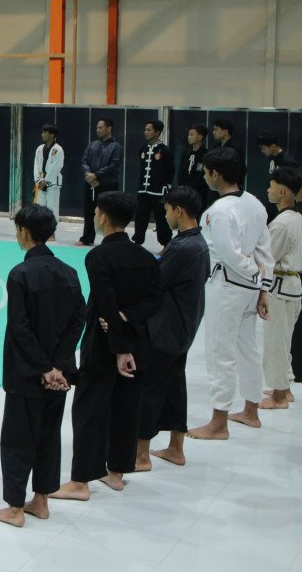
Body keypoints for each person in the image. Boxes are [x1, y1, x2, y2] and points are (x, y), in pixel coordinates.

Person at [52, 191, 161, 501]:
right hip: (138, 342)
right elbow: (156, 300)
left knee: (89, 409)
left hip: (105, 344)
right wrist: (130, 318)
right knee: (127, 408)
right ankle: (116, 473)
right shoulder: (145, 256)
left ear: (101, 216)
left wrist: (119, 342)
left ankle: (81, 481)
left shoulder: (97, 257)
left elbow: (106, 303)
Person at [0, 204, 85, 528]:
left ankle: (15, 507)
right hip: (58, 375)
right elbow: (76, 322)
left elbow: (20, 327)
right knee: (48, 435)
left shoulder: (20, 275)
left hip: (27, 373)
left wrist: (43, 367)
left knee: (17, 437)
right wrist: (58, 365)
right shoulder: (69, 274)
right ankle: (41, 501)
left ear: (24, 233)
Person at [188, 147, 272, 439]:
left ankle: (218, 421)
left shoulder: (219, 212)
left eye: (206, 171)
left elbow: (231, 255)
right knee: (248, 348)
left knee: (220, 350)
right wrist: (263, 285)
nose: (204, 175)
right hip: (249, 287)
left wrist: (254, 276)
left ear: (216, 174)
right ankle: (251, 410)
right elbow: (265, 250)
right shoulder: (255, 203)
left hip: (227, 285)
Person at [135, 187, 209, 471]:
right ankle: (176, 447)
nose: (165, 217)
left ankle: (140, 455)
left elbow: (156, 281)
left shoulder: (183, 247)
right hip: (184, 327)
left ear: (178, 211)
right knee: (176, 387)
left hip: (167, 329)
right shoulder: (198, 242)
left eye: (166, 211)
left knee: (149, 388)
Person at [259, 167, 302, 410]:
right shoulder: (296, 218)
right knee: (284, 340)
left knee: (276, 341)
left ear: (282, 190)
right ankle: (283, 387)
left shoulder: (282, 224)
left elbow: (269, 257)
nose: (268, 189)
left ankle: (278, 396)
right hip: (292, 285)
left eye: (271, 185)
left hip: (281, 286)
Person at [77, 117, 122, 246]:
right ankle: (86, 238)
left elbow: (113, 165)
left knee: (108, 213)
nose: (97, 130)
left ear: (109, 128)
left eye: (100, 127)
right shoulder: (92, 145)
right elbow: (84, 161)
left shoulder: (116, 147)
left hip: (108, 184)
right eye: (97, 127)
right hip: (90, 184)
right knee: (89, 212)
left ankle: (110, 240)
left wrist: (96, 175)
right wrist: (89, 175)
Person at [133, 120, 174, 251]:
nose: (146, 132)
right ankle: (137, 242)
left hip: (158, 191)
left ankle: (166, 244)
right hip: (143, 190)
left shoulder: (165, 150)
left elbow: (170, 170)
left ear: (157, 132)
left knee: (161, 219)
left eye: (149, 130)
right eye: (145, 129)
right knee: (140, 217)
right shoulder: (143, 149)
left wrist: (167, 187)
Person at [256, 133, 296, 221]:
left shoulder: (287, 162)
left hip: (283, 202)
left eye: (263, 148)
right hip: (274, 198)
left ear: (273, 146)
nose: (262, 151)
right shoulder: (272, 157)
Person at [32, 124, 63, 226]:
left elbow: (56, 167)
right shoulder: (39, 148)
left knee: (52, 208)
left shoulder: (58, 149)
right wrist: (39, 180)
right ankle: (41, 231)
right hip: (40, 183)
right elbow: (36, 165)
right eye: (42, 132)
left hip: (52, 184)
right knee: (40, 209)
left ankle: (52, 232)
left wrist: (46, 180)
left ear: (52, 134)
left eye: (45, 132)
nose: (42, 134)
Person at [177, 124, 209, 210]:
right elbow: (181, 171)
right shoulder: (186, 153)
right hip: (184, 192)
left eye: (191, 134)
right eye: (188, 135)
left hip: (199, 193)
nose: (189, 137)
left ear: (200, 137)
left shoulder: (206, 155)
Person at [211, 118, 246, 191]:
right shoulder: (215, 147)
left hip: (230, 187)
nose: (213, 132)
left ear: (225, 131)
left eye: (216, 129)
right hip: (216, 187)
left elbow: (242, 169)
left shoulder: (236, 149)